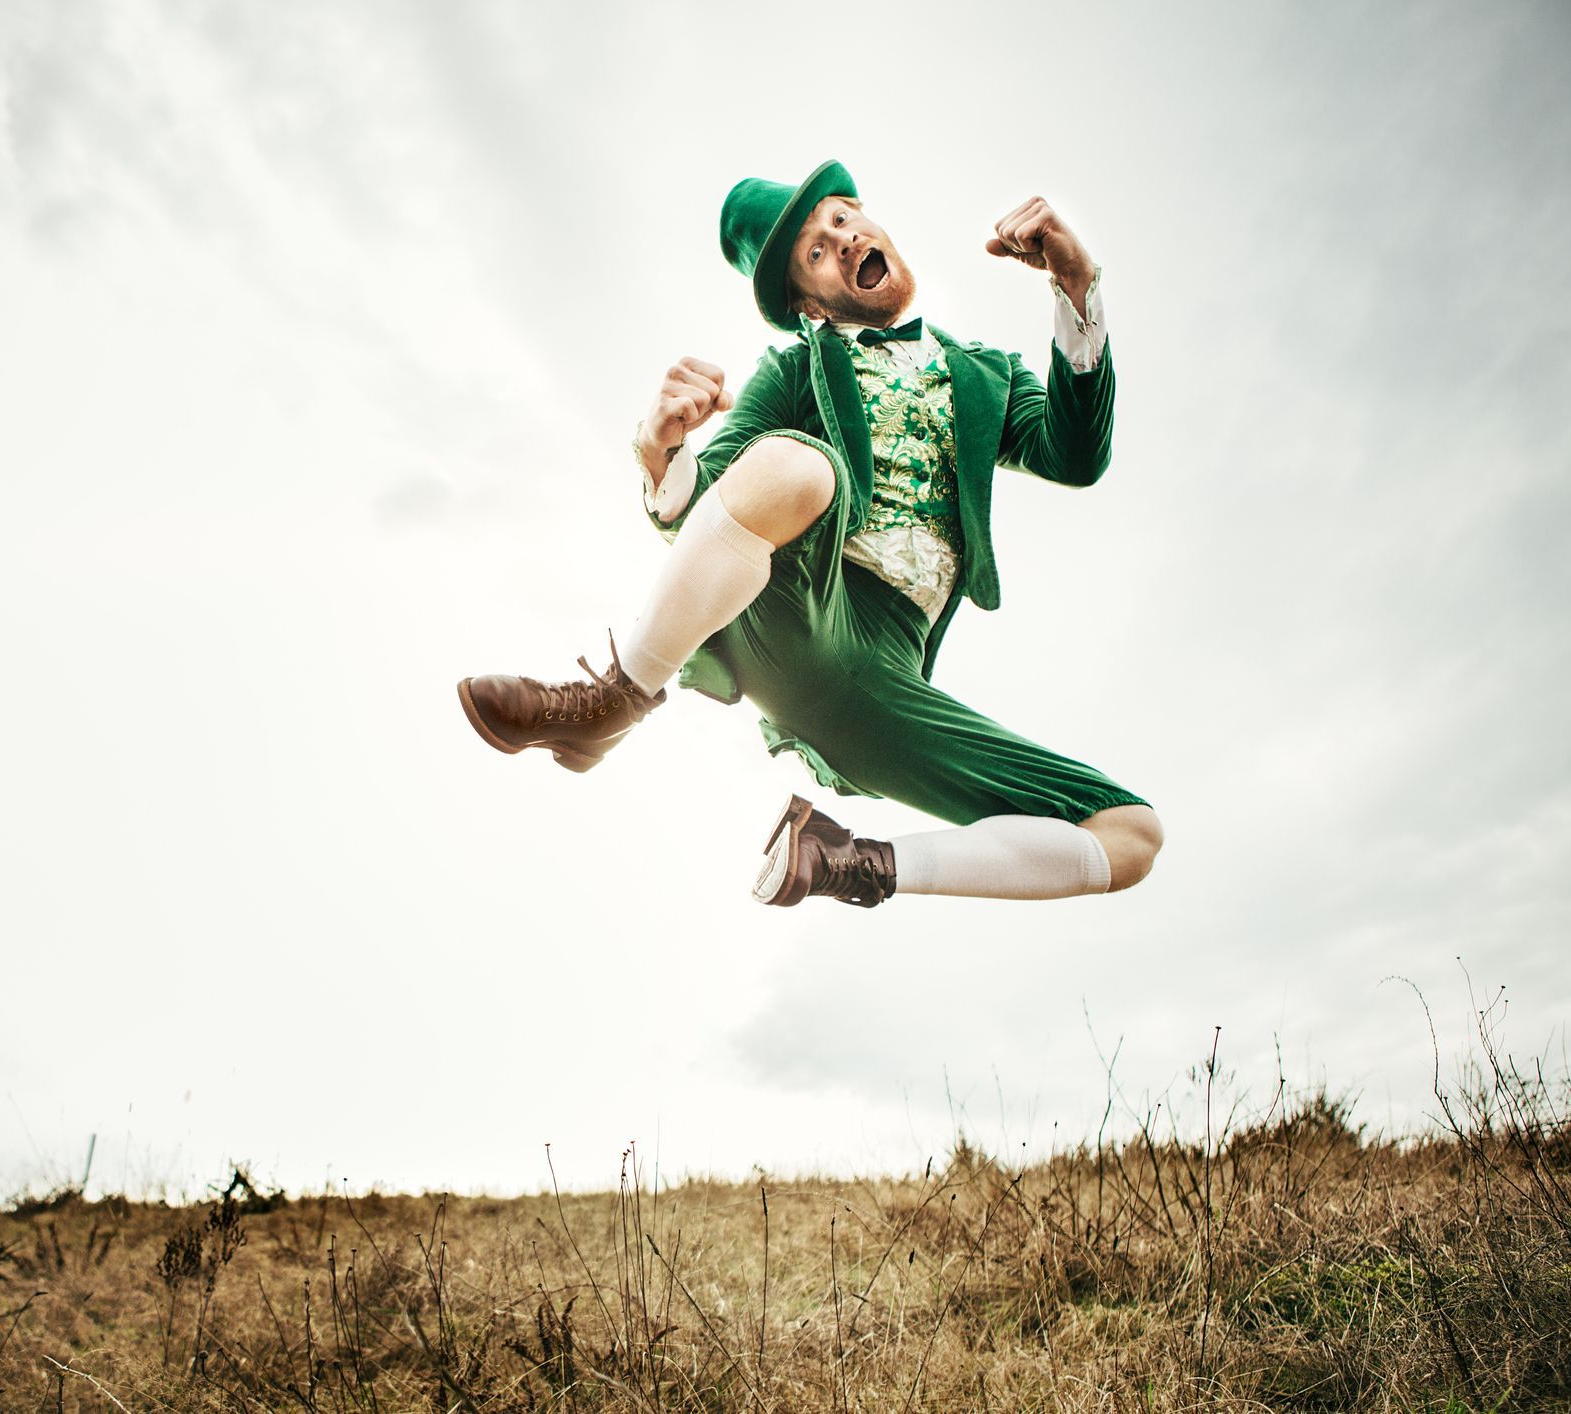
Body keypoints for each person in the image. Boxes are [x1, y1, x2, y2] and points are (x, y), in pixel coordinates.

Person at [457, 160, 1163, 909]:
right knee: (795, 469)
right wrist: (659, 451)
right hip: (797, 606)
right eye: (816, 254)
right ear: (808, 303)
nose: (840, 239)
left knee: (1129, 832)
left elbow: (1074, 454)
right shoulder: (794, 370)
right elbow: (706, 505)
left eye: (838, 219)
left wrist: (1076, 286)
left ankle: (845, 860)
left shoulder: (984, 374)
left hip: (880, 675)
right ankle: (612, 700)